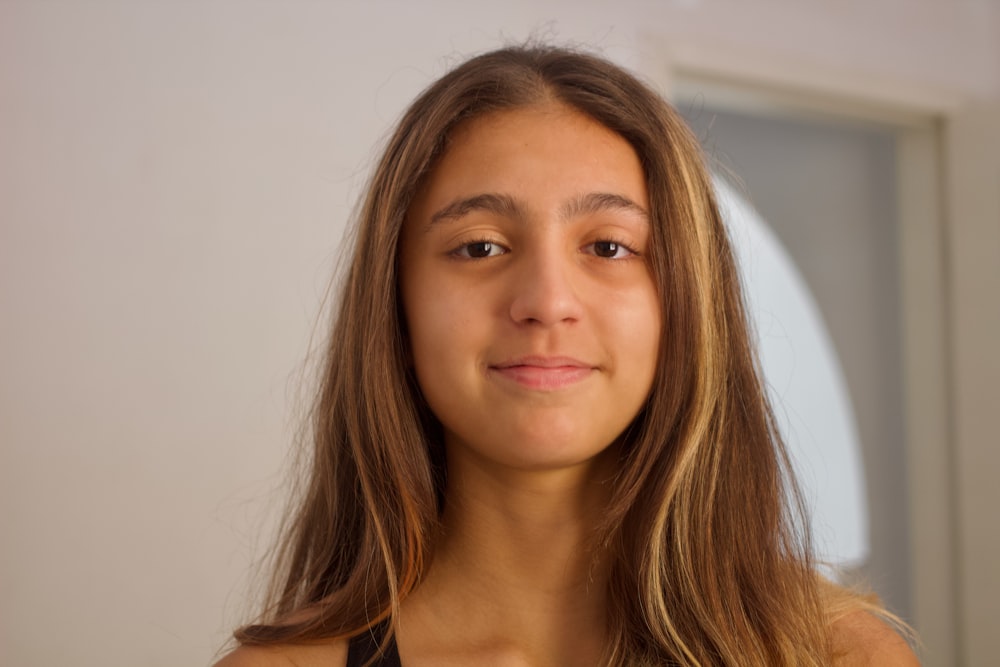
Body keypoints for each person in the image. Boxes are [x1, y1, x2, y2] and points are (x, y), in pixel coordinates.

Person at [216, 44, 919, 666]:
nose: (547, 302)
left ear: (685, 305)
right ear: (395, 311)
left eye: (608, 246)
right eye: (480, 246)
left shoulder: (838, 654)